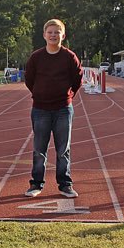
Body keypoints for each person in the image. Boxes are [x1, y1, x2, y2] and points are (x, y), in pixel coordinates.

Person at [24, 19, 83, 198]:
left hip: (63, 109)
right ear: (44, 35)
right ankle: (36, 184)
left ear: (63, 36)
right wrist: (40, 93)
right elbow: (29, 79)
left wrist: (68, 95)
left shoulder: (69, 57)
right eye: (50, 32)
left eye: (57, 32)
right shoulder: (36, 57)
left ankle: (65, 184)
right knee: (39, 149)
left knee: (63, 149)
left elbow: (77, 79)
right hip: (40, 109)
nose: (53, 35)